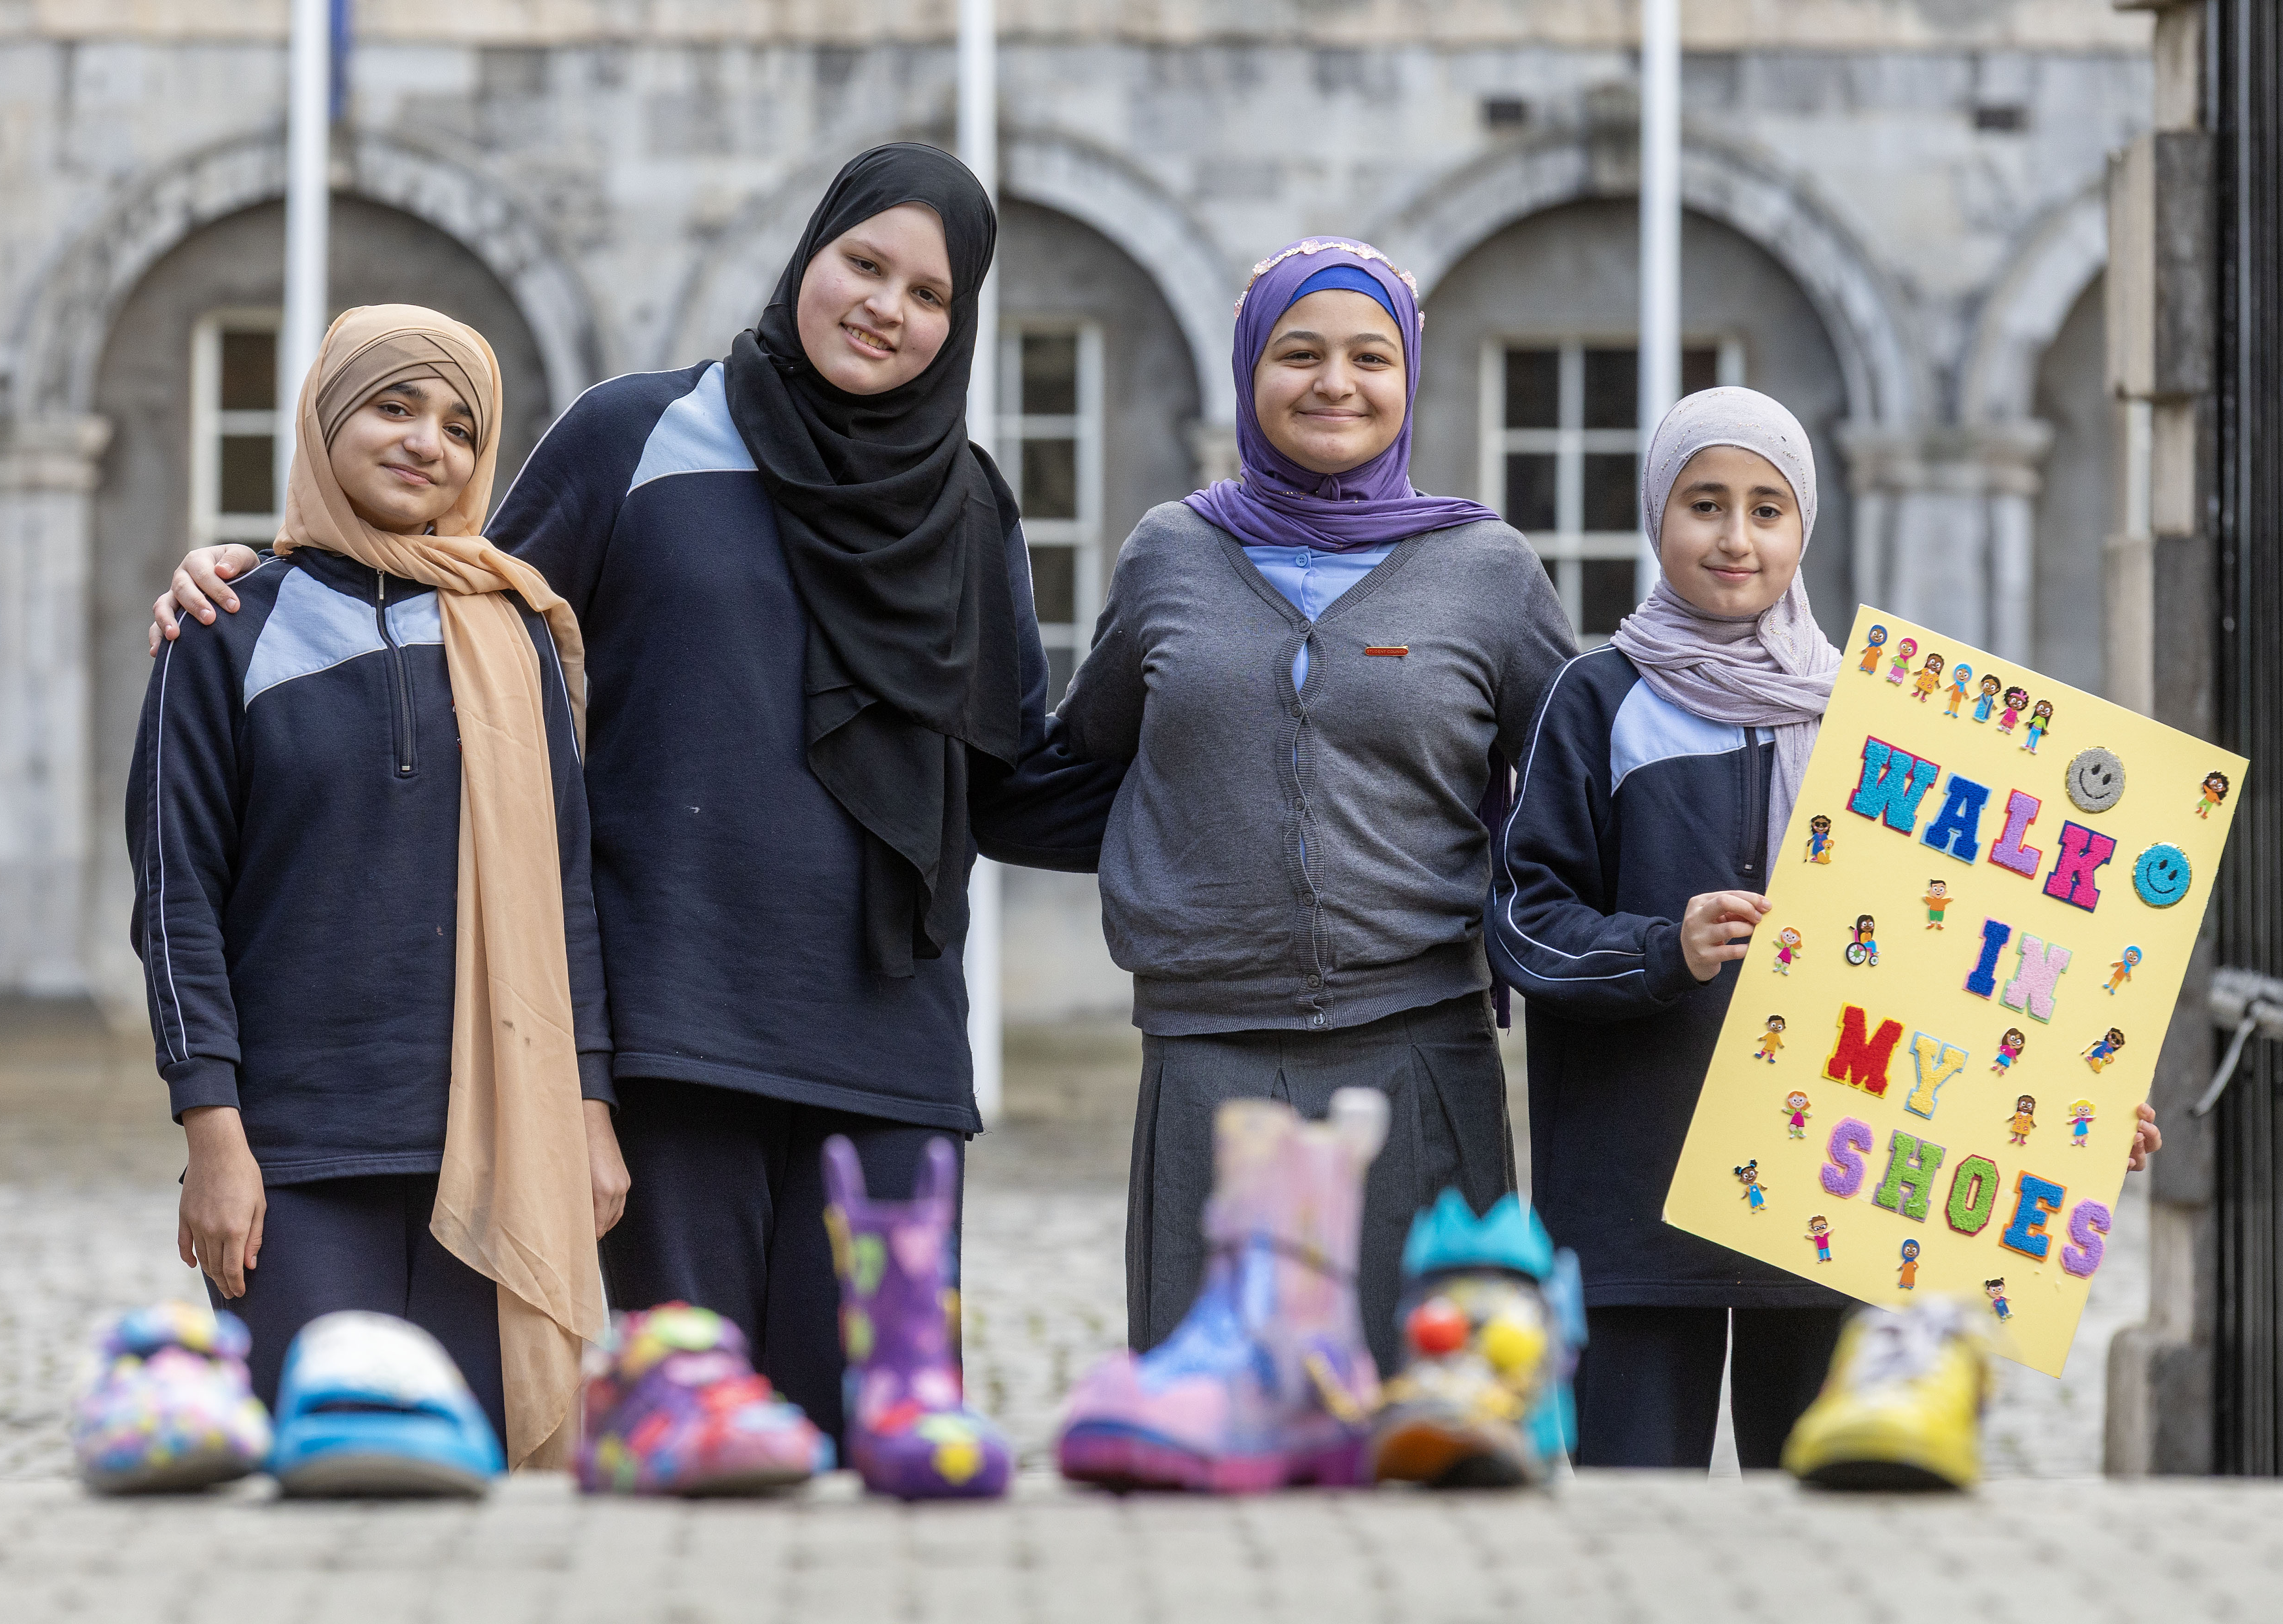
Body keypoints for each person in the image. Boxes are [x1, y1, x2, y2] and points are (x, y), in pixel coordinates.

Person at [147, 146, 1119, 1445]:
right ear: (807, 258)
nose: (887, 306)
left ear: (960, 323)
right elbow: (452, 617)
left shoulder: (970, 506)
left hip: (891, 1049)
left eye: (928, 293)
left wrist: (1225, 735)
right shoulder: (637, 434)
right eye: (863, 264)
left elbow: (1006, 787)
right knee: (691, 1442)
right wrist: (245, 578)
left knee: (888, 1445)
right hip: (674, 1044)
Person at [1488, 386, 2162, 1471]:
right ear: (1658, 512)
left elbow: (1960, 962)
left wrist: (2070, 1110)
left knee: (1817, 1545)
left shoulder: (1886, 716)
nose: (1736, 536)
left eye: (1768, 508)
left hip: (1827, 1212)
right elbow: (1523, 922)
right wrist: (1667, 947)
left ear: (1806, 527)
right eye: (1705, 504)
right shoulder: (1598, 698)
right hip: (1635, 1210)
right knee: (1631, 1534)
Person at [1057, 238, 1575, 1375]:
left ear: (1409, 378)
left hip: (1419, 1048)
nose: (1335, 383)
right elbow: (1081, 762)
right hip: (1206, 1053)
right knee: (1211, 1420)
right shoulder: (1169, 555)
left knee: (1429, 1412)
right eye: (1299, 353)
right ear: (1249, 373)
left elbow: (1575, 785)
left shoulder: (1487, 570)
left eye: (1369, 356)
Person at [129, 305, 624, 1467]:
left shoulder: (515, 629)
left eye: (460, 425)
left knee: (484, 1507)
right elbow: (176, 899)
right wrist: (214, 1135)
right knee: (318, 1497)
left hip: (499, 1142)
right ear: (324, 418)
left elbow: (567, 890)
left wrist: (590, 1109)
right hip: (297, 1156)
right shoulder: (224, 628)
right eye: (394, 406)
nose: (426, 443)